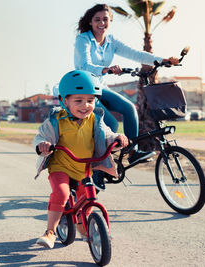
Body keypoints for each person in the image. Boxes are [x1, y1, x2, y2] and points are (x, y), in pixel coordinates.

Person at [74, 4, 180, 189]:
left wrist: (162, 60)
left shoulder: (111, 41)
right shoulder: (83, 39)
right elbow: (84, 65)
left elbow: (135, 53)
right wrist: (106, 69)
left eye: (105, 19)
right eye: (97, 19)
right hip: (84, 89)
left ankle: (133, 151)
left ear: (110, 21)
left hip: (101, 87)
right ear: (90, 22)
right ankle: (98, 172)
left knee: (130, 109)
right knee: (110, 124)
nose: (102, 23)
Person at [33, 70, 129, 249]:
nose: (85, 105)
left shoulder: (94, 119)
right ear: (65, 101)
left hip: (83, 169)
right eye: (78, 101)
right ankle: (50, 232)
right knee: (61, 193)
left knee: (87, 197)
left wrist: (117, 139)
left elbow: (106, 135)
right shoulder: (57, 120)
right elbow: (40, 136)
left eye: (90, 101)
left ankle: (84, 226)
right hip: (60, 166)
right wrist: (42, 145)